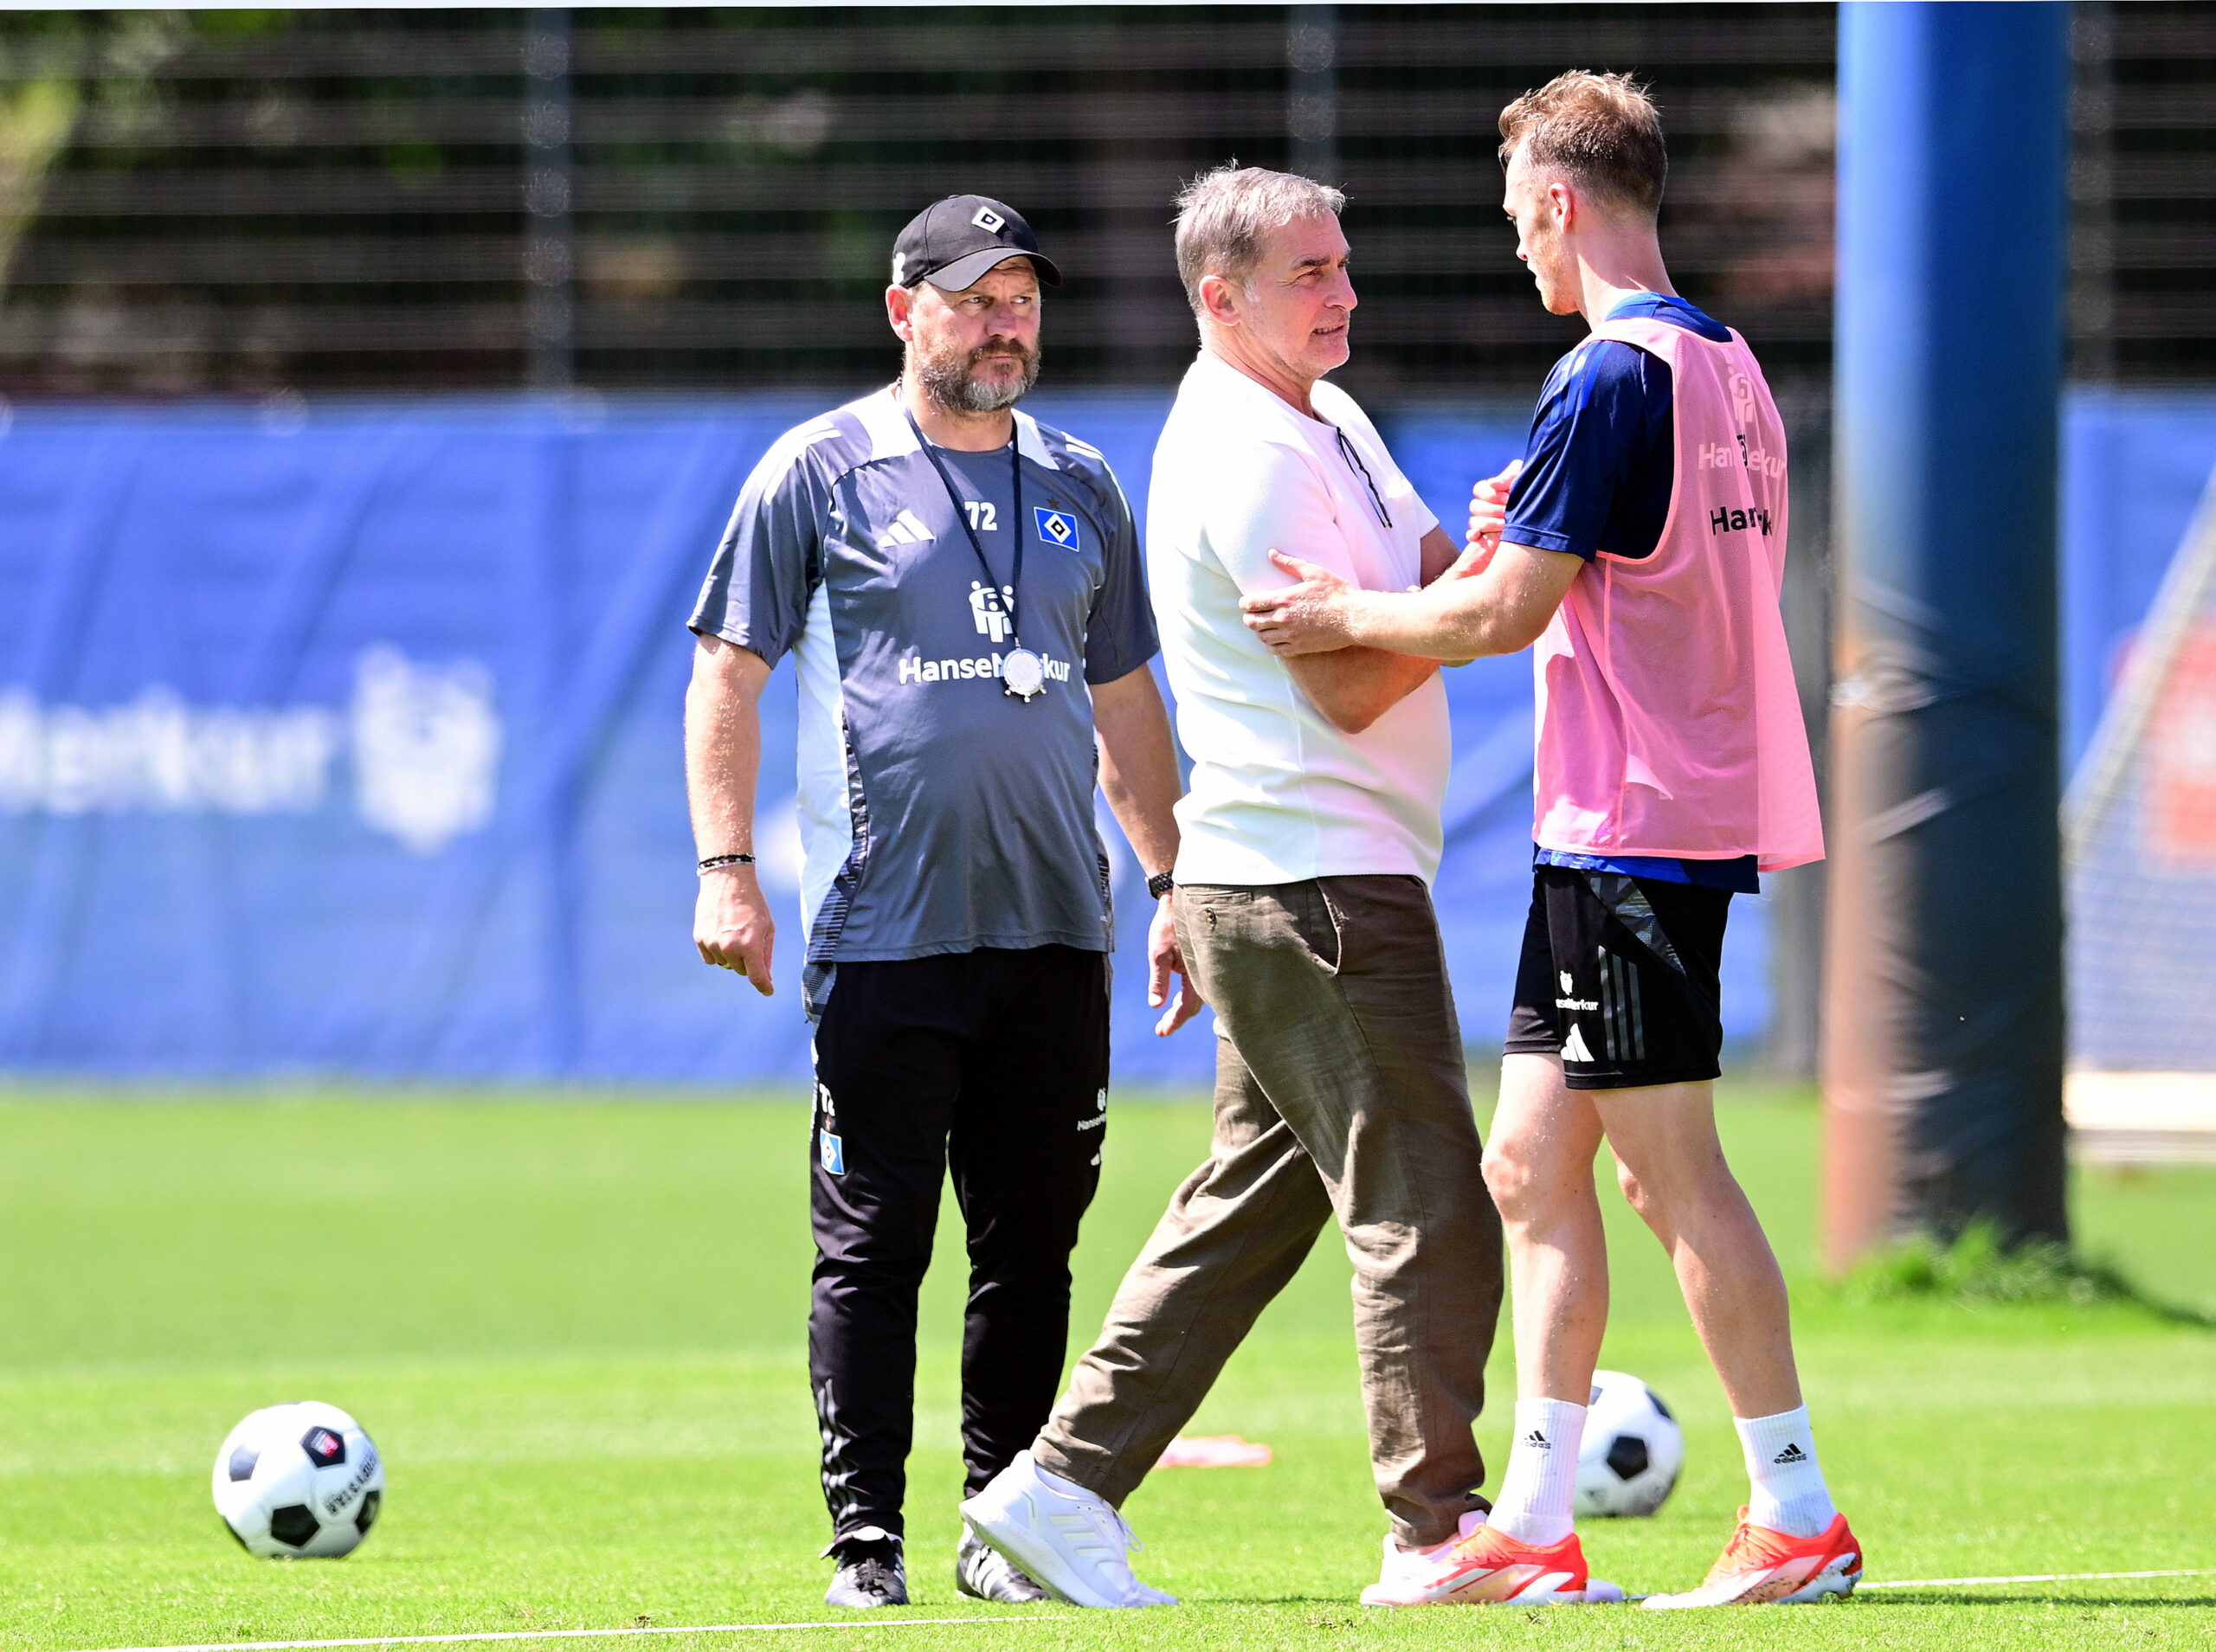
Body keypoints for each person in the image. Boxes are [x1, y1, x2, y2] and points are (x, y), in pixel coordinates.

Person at [1240, 73, 1861, 1610]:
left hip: (1639, 827)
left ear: (1565, 204)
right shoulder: (1726, 362)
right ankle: (1530, 1519)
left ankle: (1797, 1512)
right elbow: (1633, 570)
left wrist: (1336, 614)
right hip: (1633, 822)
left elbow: (1499, 616)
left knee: (1672, 1178)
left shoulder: (1605, 376)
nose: (1519, 247)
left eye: (1522, 216)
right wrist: (1538, 526)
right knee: (1529, 1162)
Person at [961, 165, 1517, 1610]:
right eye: (1309, 273)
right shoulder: (1248, 448)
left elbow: (1423, 579)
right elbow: (1346, 680)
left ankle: (1058, 1485)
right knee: (1428, 1202)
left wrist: (1490, 552)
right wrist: (1482, 605)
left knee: (1252, 1208)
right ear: (1222, 296)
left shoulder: (1322, 414)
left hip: (1292, 875)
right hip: (1313, 877)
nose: (1342, 291)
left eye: (1343, 263)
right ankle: (1439, 1534)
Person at [683, 195, 1197, 1610]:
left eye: (1023, 297)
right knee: (876, 1243)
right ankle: (867, 1540)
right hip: (882, 934)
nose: (1005, 322)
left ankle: (1002, 1524)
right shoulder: (819, 471)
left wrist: (1172, 878)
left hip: (1055, 931)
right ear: (905, 309)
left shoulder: (1085, 480)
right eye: (977, 298)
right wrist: (726, 866)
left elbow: (1125, 698)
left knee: (1031, 1243)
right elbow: (728, 672)